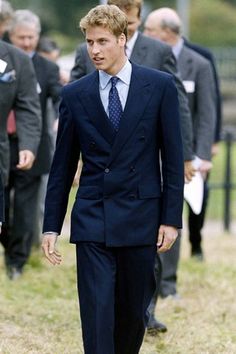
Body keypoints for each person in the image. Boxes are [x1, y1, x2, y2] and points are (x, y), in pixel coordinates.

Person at [42, 4, 184, 354]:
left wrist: (170, 218)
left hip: (142, 215)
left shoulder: (160, 86)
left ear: (123, 39)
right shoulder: (76, 94)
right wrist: (51, 227)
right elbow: (62, 166)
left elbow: (174, 158)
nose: (94, 50)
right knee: (96, 309)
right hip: (93, 215)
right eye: (89, 42)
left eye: (103, 41)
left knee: (132, 313)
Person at [144, 6, 216, 327]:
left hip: (184, 155)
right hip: (150, 153)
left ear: (166, 32)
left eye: (149, 30)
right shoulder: (146, 59)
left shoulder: (199, 63)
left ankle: (169, 282)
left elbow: (205, 112)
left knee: (176, 217)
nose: (144, 36)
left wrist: (201, 156)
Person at [70, 0, 195, 178]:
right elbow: (72, 103)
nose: (124, 29)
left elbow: (178, 103)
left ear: (139, 19)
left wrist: (185, 154)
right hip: (100, 158)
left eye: (128, 23)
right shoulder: (86, 51)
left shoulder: (159, 51)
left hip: (143, 156)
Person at [1, 9, 62, 279]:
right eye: (21, 37)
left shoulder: (39, 66)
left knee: (26, 208)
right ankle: (8, 244)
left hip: (29, 144)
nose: (27, 42)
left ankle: (17, 261)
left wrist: (59, 120)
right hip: (5, 144)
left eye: (31, 37)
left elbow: (44, 103)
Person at [184, 38, 222, 260]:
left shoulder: (201, 56)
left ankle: (196, 241)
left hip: (198, 139)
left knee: (199, 194)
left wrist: (211, 143)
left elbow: (211, 101)